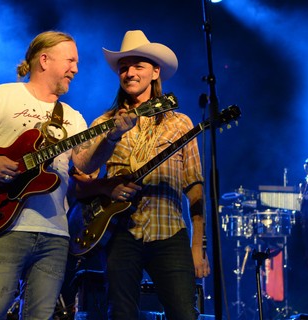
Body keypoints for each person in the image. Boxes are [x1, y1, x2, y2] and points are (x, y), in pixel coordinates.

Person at [0, 30, 133, 320]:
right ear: (44, 60)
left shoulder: (73, 116)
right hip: (4, 225)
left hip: (55, 235)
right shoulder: (1, 96)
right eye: (70, 60)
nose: (76, 69)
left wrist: (112, 138)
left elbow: (83, 164)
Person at [70, 30, 211, 320]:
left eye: (138, 66)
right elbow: (80, 183)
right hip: (121, 233)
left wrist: (198, 245)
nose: (130, 73)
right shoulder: (103, 123)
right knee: (121, 313)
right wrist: (108, 187)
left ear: (155, 72)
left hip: (170, 233)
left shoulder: (180, 123)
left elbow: (195, 189)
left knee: (184, 313)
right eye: (124, 67)